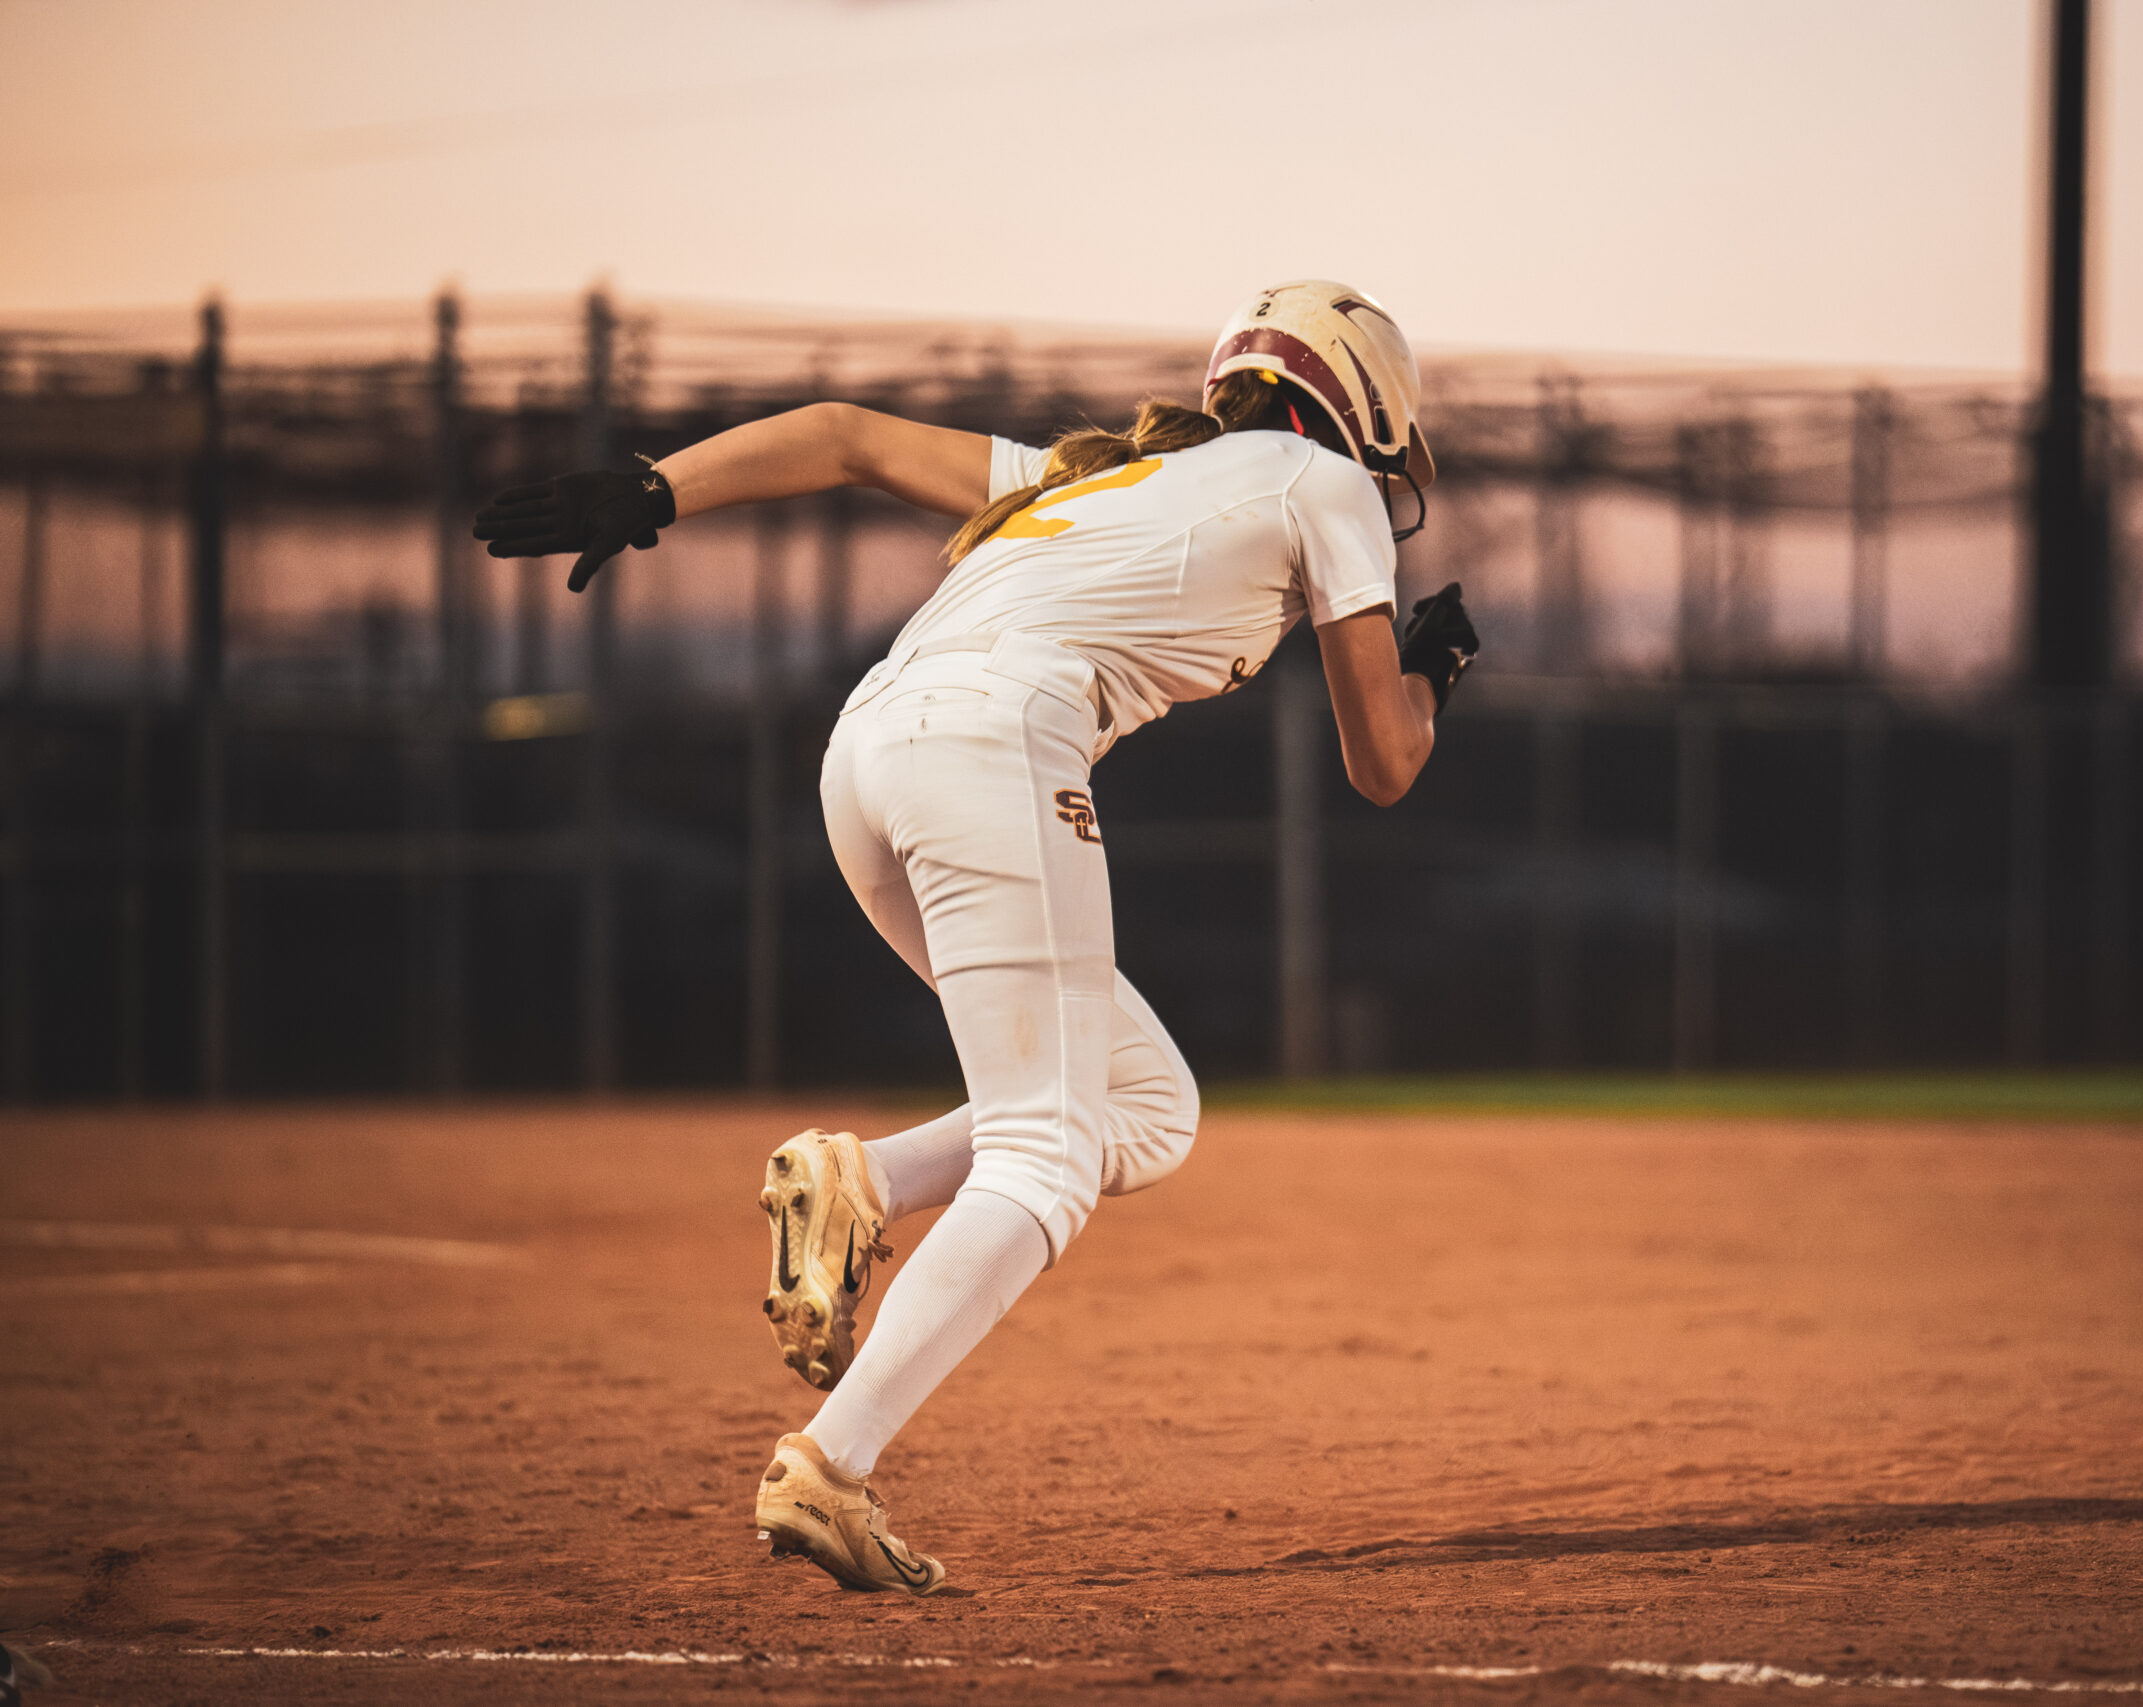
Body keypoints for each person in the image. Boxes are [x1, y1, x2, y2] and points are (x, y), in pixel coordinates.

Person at [473, 280, 1479, 1596]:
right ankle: (831, 1467)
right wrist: (1433, 673)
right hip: (991, 750)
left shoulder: (1091, 476)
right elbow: (1384, 762)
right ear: (1362, 410)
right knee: (1050, 1150)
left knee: (1148, 1105)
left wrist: (656, 490)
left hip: (868, 761)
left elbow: (841, 433)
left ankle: (861, 1185)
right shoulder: (1324, 484)